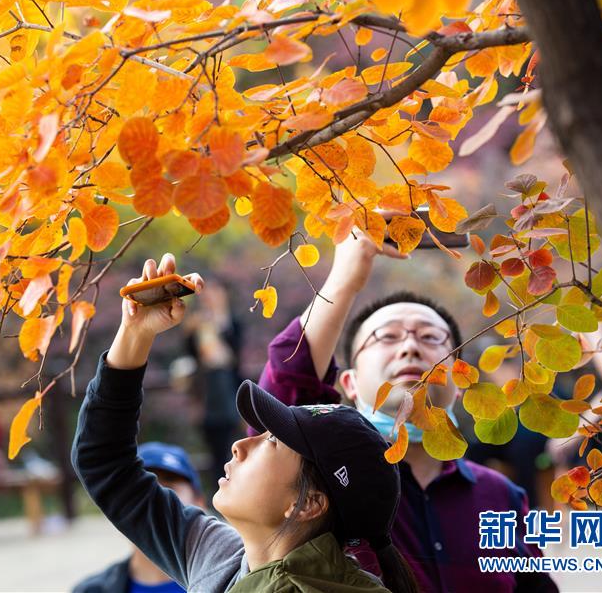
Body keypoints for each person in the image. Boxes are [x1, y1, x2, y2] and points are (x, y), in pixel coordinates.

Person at [72, 253, 417, 593]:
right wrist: (135, 334)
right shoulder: (217, 557)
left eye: (270, 442)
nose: (240, 445)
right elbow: (105, 464)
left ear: (309, 503)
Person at [256, 229, 557, 592]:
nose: (411, 347)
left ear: (460, 383)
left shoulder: (501, 496)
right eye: (387, 337)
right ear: (349, 383)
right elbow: (289, 381)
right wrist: (347, 276)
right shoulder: (325, 485)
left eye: (431, 338)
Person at [74, 442, 205, 593]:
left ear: (199, 502)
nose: (153, 502)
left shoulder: (230, 584)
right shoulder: (91, 590)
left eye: (168, 488)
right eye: (139, 493)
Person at [182, 281, 243, 488]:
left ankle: (235, 490)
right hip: (206, 394)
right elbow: (191, 355)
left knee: (233, 445)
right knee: (213, 447)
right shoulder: (197, 323)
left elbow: (235, 354)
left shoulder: (231, 322)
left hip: (228, 391)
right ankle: (218, 491)